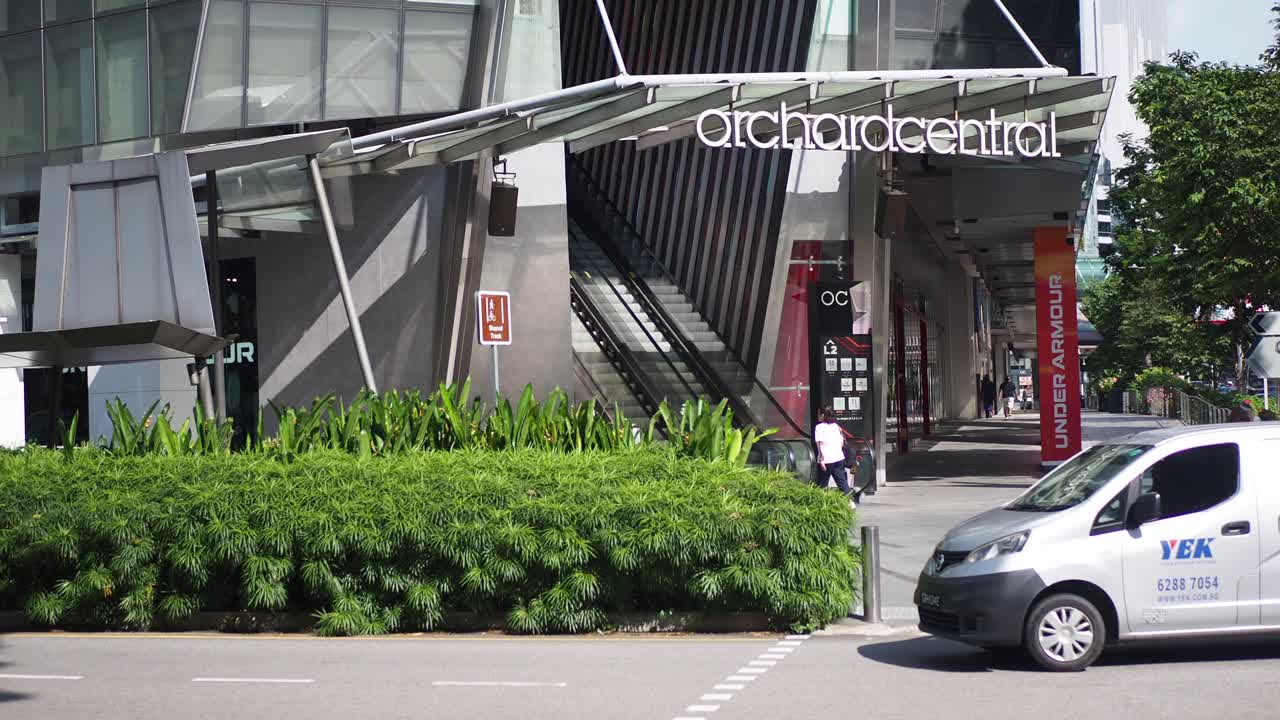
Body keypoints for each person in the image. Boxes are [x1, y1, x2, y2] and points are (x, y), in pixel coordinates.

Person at [814, 407, 855, 508]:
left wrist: (822, 460)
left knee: (822, 484)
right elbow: (841, 443)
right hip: (838, 458)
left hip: (826, 460)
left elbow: (819, 444)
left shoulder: (819, 427)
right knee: (842, 483)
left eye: (819, 414)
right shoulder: (836, 426)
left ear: (823, 415)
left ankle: (820, 505)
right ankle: (851, 503)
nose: (818, 416)